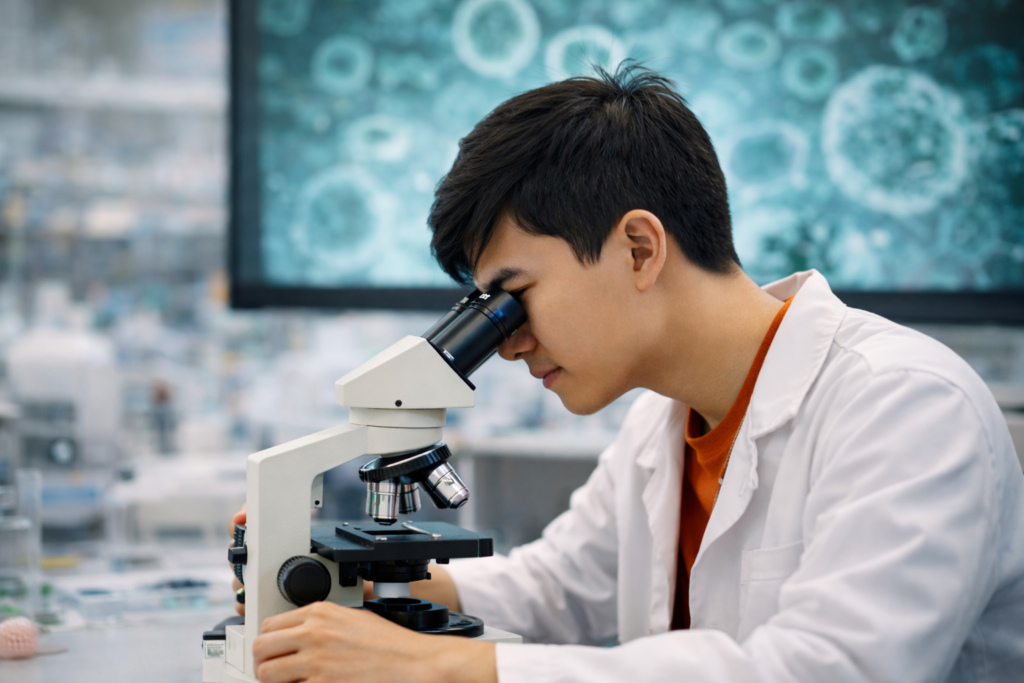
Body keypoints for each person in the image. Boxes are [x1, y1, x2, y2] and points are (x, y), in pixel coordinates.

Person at [231, 65, 1024, 683]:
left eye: (513, 298)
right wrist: (363, 588)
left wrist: (446, 664)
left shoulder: (907, 405)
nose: (505, 344)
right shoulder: (664, 420)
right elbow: (561, 584)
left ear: (639, 248)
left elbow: (829, 668)